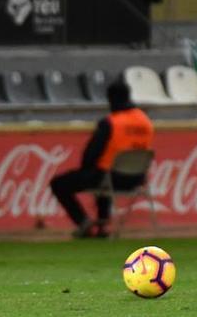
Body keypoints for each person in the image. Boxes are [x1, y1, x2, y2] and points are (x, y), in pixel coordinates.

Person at [50, 80, 154, 238]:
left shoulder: (111, 122)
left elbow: (91, 153)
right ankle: (102, 224)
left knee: (60, 183)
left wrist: (85, 170)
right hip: (137, 179)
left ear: (111, 98)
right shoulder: (145, 122)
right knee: (104, 176)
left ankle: (84, 222)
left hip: (109, 177)